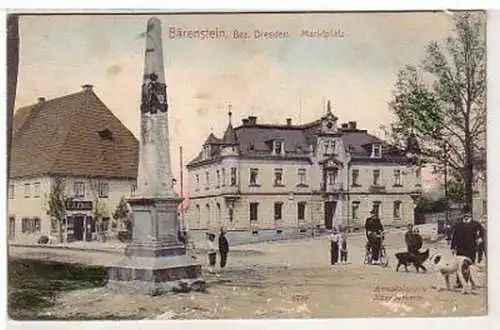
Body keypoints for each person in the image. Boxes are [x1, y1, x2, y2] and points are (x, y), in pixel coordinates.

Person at [451, 212, 478, 287]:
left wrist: (479, 243)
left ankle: (470, 283)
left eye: (468, 215)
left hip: (470, 249)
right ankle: (459, 282)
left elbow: (480, 235)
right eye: (465, 215)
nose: (466, 217)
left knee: (468, 266)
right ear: (463, 217)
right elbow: (455, 237)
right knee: (459, 265)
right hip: (460, 249)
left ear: (470, 216)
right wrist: (453, 247)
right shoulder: (459, 225)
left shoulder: (475, 225)